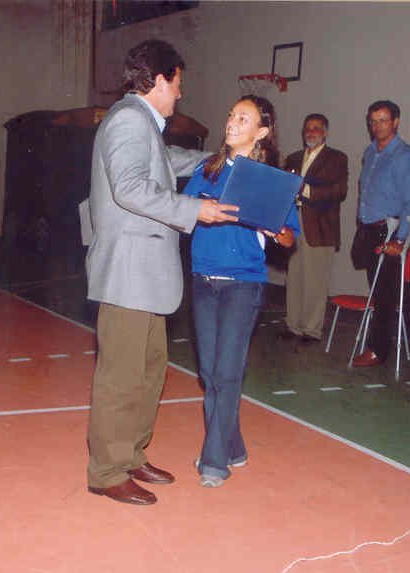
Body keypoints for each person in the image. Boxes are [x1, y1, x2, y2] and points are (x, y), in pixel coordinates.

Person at [85, 39, 238, 506]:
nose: (180, 93)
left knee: (149, 371)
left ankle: (130, 454)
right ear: (158, 80)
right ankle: (107, 471)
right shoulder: (129, 119)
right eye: (177, 83)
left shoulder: (142, 123)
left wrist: (215, 160)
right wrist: (196, 210)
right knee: (121, 376)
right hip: (129, 272)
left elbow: (164, 161)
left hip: (146, 275)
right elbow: (130, 187)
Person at [184, 95, 299, 487]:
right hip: (203, 279)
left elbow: (289, 237)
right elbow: (184, 210)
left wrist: (275, 230)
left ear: (261, 132)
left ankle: (214, 461)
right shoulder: (206, 169)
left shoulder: (270, 180)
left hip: (244, 284)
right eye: (231, 115)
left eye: (243, 119)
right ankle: (232, 445)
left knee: (227, 371)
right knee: (209, 372)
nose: (232, 122)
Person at [351, 100, 410, 367]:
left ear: (395, 122)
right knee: (377, 290)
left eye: (383, 120)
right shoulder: (370, 152)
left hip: (390, 232)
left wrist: (399, 240)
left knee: (384, 295)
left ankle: (378, 351)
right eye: (373, 121)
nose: (377, 126)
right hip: (369, 230)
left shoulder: (405, 156)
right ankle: (377, 346)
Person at [277, 113, 349, 345]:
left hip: (320, 228)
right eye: (307, 128)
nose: (311, 132)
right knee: (294, 278)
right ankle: (293, 326)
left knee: (316, 281)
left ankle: (312, 330)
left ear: (325, 133)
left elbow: (339, 192)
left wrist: (304, 190)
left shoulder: (336, 158)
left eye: (316, 128)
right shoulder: (293, 158)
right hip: (293, 222)